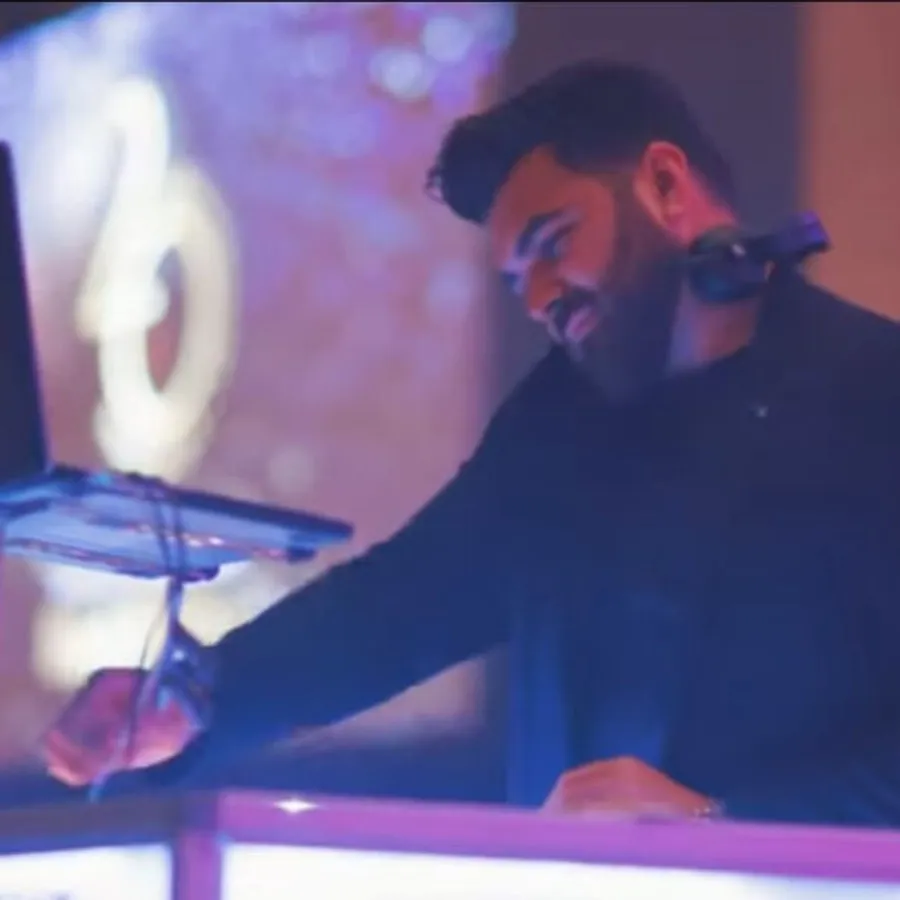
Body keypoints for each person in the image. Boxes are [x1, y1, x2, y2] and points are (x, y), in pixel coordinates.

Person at [42, 60, 900, 826]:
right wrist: (196, 700)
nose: (541, 298)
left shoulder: (875, 393)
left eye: (555, 244)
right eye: (519, 277)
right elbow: (401, 604)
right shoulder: (559, 423)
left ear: (666, 185)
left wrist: (722, 825)